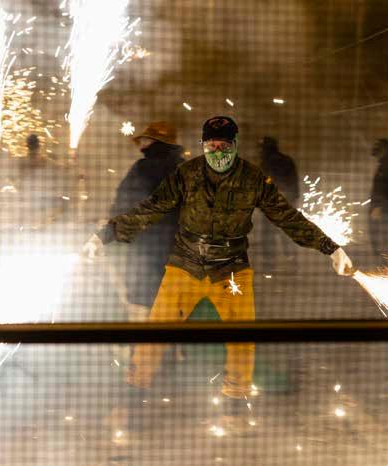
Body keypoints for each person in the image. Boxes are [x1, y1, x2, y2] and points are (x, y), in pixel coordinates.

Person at [82, 116, 354, 437]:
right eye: (211, 145)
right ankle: (129, 408)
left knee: (241, 342)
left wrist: (331, 248)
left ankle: (234, 413)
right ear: (203, 146)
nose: (217, 152)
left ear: (234, 146)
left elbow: (288, 217)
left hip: (231, 273)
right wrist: (103, 236)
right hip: (183, 268)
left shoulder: (252, 179)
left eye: (224, 146)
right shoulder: (186, 175)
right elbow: (147, 210)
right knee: (152, 339)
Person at [109, 122, 184, 320]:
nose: (141, 143)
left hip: (147, 250)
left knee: (145, 309)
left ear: (154, 142)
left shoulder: (142, 169)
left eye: (145, 139)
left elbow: (124, 204)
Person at [256, 136, 301, 270]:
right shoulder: (287, 160)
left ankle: (268, 264)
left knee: (268, 234)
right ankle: (291, 261)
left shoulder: (267, 162)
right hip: (287, 201)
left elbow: (267, 180)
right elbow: (293, 181)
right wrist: (293, 197)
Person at [368, 138, 388, 260]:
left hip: (384, 206)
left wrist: (378, 207)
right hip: (384, 205)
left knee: (379, 234)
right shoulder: (385, 165)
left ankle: (383, 261)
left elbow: (385, 189)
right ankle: (383, 261)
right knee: (380, 234)